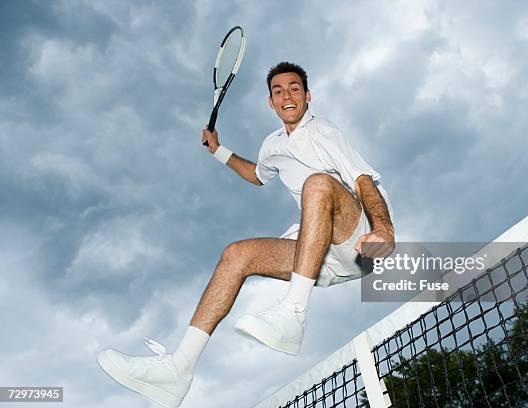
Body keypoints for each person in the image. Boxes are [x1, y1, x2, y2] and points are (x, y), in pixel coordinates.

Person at [97, 62, 395, 408]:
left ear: (308, 96)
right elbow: (257, 174)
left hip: (355, 238)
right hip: (317, 252)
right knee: (236, 254)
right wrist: (217, 150)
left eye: (294, 88)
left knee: (317, 184)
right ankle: (178, 370)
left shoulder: (323, 132)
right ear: (270, 102)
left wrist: (384, 229)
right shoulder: (272, 146)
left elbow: (362, 180)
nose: (287, 95)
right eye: (279, 91)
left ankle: (292, 315)